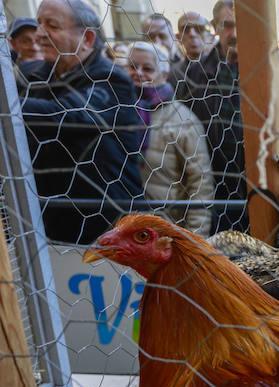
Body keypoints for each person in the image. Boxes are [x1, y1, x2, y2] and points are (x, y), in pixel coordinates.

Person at [19, 0, 144, 244]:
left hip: (109, 225)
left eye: (52, 25)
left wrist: (9, 106)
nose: (40, 33)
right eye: (39, 24)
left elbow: (66, 115)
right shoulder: (33, 76)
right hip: (50, 223)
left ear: (87, 38)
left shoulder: (110, 79)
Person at [127, 42, 214, 235]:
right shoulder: (116, 111)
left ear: (164, 75)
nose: (138, 73)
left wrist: (195, 239)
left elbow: (201, 183)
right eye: (133, 66)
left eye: (148, 68)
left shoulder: (183, 120)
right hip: (124, 228)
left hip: (167, 231)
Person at [176, 0, 246, 232]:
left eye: (241, 25)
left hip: (255, 182)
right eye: (227, 25)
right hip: (212, 182)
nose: (234, 33)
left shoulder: (266, 70)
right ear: (215, 26)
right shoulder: (195, 73)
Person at [170, 12, 211, 86]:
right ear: (178, 37)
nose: (192, 34)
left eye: (199, 28)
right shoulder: (173, 73)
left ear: (210, 36)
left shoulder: (223, 68)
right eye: (186, 29)